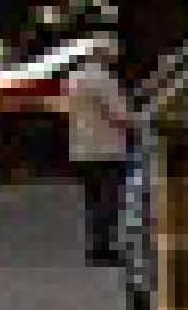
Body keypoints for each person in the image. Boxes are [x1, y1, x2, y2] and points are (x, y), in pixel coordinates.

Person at [57, 42, 141, 267]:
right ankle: (104, 248)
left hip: (81, 146)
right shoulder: (103, 79)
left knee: (93, 200)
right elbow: (119, 114)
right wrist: (140, 123)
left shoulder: (73, 79)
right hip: (107, 147)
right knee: (109, 200)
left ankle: (95, 246)